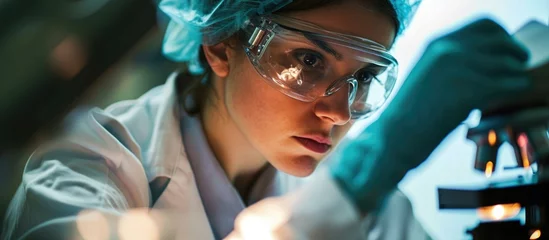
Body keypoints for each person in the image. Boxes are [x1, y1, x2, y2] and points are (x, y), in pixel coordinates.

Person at [2, 0, 534, 239]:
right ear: (219, 46)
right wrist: (365, 173)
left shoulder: (373, 209)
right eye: (307, 60)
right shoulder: (82, 171)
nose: (339, 111)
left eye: (366, 78)